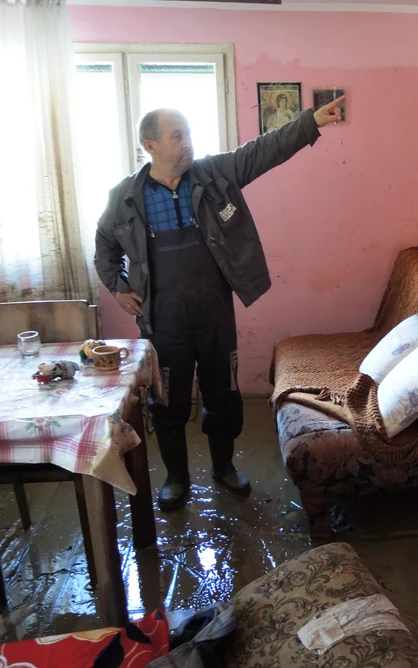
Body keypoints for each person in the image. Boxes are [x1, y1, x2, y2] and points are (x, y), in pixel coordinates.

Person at [94, 96, 345, 511]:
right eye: (177, 136)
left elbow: (263, 150)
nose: (187, 143)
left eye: (189, 134)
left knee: (223, 395)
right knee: (167, 402)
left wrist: (311, 121)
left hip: (214, 312)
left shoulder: (213, 175)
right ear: (150, 145)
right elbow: (104, 248)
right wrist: (118, 288)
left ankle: (224, 467)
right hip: (163, 320)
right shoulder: (124, 198)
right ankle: (176, 478)